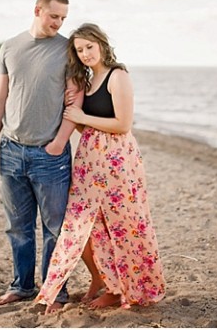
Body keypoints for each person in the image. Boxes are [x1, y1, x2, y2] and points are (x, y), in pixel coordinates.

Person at [35, 23, 165, 312]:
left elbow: (122, 124)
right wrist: (76, 117)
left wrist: (82, 116)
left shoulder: (117, 77)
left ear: (102, 45)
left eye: (89, 47)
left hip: (119, 162)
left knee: (122, 225)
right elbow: (90, 129)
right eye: (79, 50)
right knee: (88, 225)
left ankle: (123, 290)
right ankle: (105, 281)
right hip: (90, 160)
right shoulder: (89, 80)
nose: (85, 54)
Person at [0, 0, 81, 309]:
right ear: (37, 10)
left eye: (63, 18)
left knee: (54, 228)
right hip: (11, 150)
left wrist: (60, 141)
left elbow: (75, 98)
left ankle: (54, 292)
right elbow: (0, 98)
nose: (58, 23)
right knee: (18, 227)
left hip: (50, 156)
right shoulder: (10, 47)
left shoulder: (68, 50)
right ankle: (21, 286)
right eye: (54, 16)